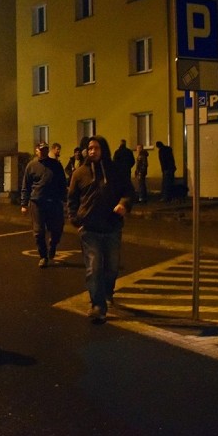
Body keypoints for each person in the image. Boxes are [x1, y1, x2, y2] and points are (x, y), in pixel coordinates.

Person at [67, 136, 134, 323]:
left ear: (103, 149)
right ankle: (97, 305)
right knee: (93, 268)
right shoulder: (79, 173)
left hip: (112, 227)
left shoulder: (116, 171)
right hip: (89, 229)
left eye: (96, 148)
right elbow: (71, 199)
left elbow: (129, 192)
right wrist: (75, 220)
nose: (92, 151)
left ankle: (107, 292)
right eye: (90, 148)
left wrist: (124, 204)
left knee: (111, 268)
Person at [20, 141, 67, 268]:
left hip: (54, 203)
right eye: (41, 150)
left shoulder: (56, 165)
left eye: (46, 149)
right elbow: (26, 186)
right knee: (39, 232)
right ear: (36, 151)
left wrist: (65, 201)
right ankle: (43, 256)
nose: (44, 152)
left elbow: (62, 184)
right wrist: (24, 204)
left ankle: (53, 245)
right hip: (37, 203)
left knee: (57, 229)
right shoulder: (31, 166)